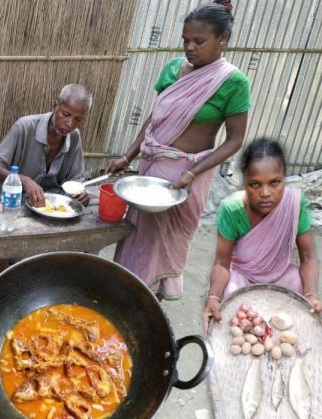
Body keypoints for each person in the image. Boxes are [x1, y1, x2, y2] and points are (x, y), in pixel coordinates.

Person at [105, 0, 251, 300]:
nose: (190, 47)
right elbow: (155, 116)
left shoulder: (233, 82)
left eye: (199, 41)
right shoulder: (173, 69)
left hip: (187, 177)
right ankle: (126, 295)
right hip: (151, 171)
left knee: (167, 241)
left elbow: (235, 140)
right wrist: (127, 155)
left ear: (222, 38)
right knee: (139, 236)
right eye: (186, 40)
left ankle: (151, 301)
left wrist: (192, 172)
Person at [202, 139, 321, 332]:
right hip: (243, 276)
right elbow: (221, 264)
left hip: (280, 275)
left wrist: (311, 294)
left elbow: (308, 258)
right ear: (245, 183)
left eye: (275, 183)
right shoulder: (232, 209)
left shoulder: (294, 205)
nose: (265, 193)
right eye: (255, 184)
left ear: (284, 179)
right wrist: (213, 297)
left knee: (298, 284)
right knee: (229, 292)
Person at [0, 84, 92, 208]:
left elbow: (76, 178)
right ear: (55, 106)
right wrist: (24, 180)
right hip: (11, 192)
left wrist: (80, 193)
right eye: (66, 114)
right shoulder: (24, 126)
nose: (70, 124)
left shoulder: (74, 136)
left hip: (49, 196)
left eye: (78, 119)